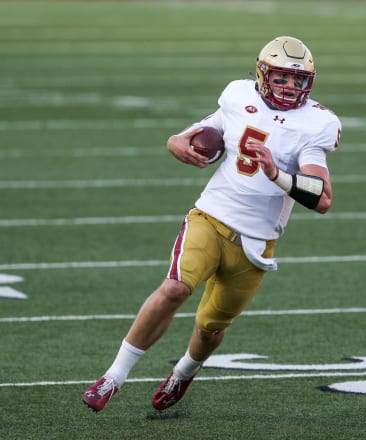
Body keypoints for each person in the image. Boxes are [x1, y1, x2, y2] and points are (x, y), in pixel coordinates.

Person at [82, 36, 341, 412]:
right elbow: (195, 133)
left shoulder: (316, 123)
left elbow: (323, 198)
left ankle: (184, 372)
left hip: (256, 243)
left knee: (210, 327)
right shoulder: (237, 95)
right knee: (173, 289)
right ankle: (113, 377)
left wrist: (276, 174)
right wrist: (176, 143)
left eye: (298, 80)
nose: (290, 87)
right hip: (210, 216)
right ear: (263, 73)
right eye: (282, 78)